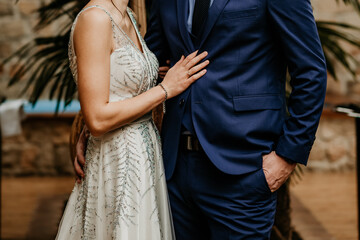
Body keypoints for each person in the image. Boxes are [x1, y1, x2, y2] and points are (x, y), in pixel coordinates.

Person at [76, 0, 327, 239]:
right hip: (172, 170)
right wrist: (93, 125)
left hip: (243, 169)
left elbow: (311, 72)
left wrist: (287, 156)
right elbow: (145, 64)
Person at [55, 0, 209, 239]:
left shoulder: (127, 14)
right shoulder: (95, 18)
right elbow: (97, 119)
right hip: (117, 161)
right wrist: (166, 89)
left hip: (145, 158)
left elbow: (116, 89)